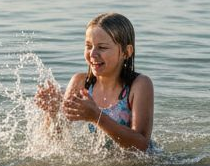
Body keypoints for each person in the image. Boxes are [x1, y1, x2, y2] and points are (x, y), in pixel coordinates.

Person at [36, 12, 155, 151]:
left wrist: (96, 117)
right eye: (88, 46)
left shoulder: (139, 85)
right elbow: (54, 143)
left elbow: (141, 145)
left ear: (126, 52)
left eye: (102, 47)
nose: (92, 54)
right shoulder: (80, 83)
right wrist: (52, 113)